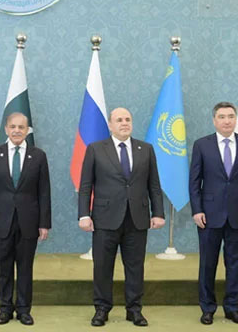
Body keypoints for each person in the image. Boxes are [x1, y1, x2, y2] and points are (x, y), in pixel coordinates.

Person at [78, 107, 165, 327]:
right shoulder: (96, 149)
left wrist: (158, 213)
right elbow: (86, 186)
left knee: (135, 266)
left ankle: (134, 310)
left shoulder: (145, 149)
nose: (124, 123)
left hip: (137, 218)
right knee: (102, 266)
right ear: (110, 125)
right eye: (119, 120)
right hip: (104, 218)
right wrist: (83, 215)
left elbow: (154, 185)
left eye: (127, 119)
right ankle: (101, 309)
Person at [189, 102, 238, 325]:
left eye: (230, 116)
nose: (227, 120)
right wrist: (197, 209)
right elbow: (194, 182)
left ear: (235, 119)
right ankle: (207, 308)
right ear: (214, 120)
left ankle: (232, 307)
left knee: (235, 264)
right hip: (208, 216)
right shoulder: (202, 145)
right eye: (222, 116)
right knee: (208, 263)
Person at [0, 112, 51, 325]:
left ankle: (23, 310)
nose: (17, 130)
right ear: (6, 129)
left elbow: (44, 192)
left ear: (27, 130)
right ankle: (5, 309)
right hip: (1, 221)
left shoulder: (38, 156)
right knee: (3, 267)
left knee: (25, 268)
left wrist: (44, 223)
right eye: (13, 127)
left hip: (29, 221)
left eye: (21, 127)